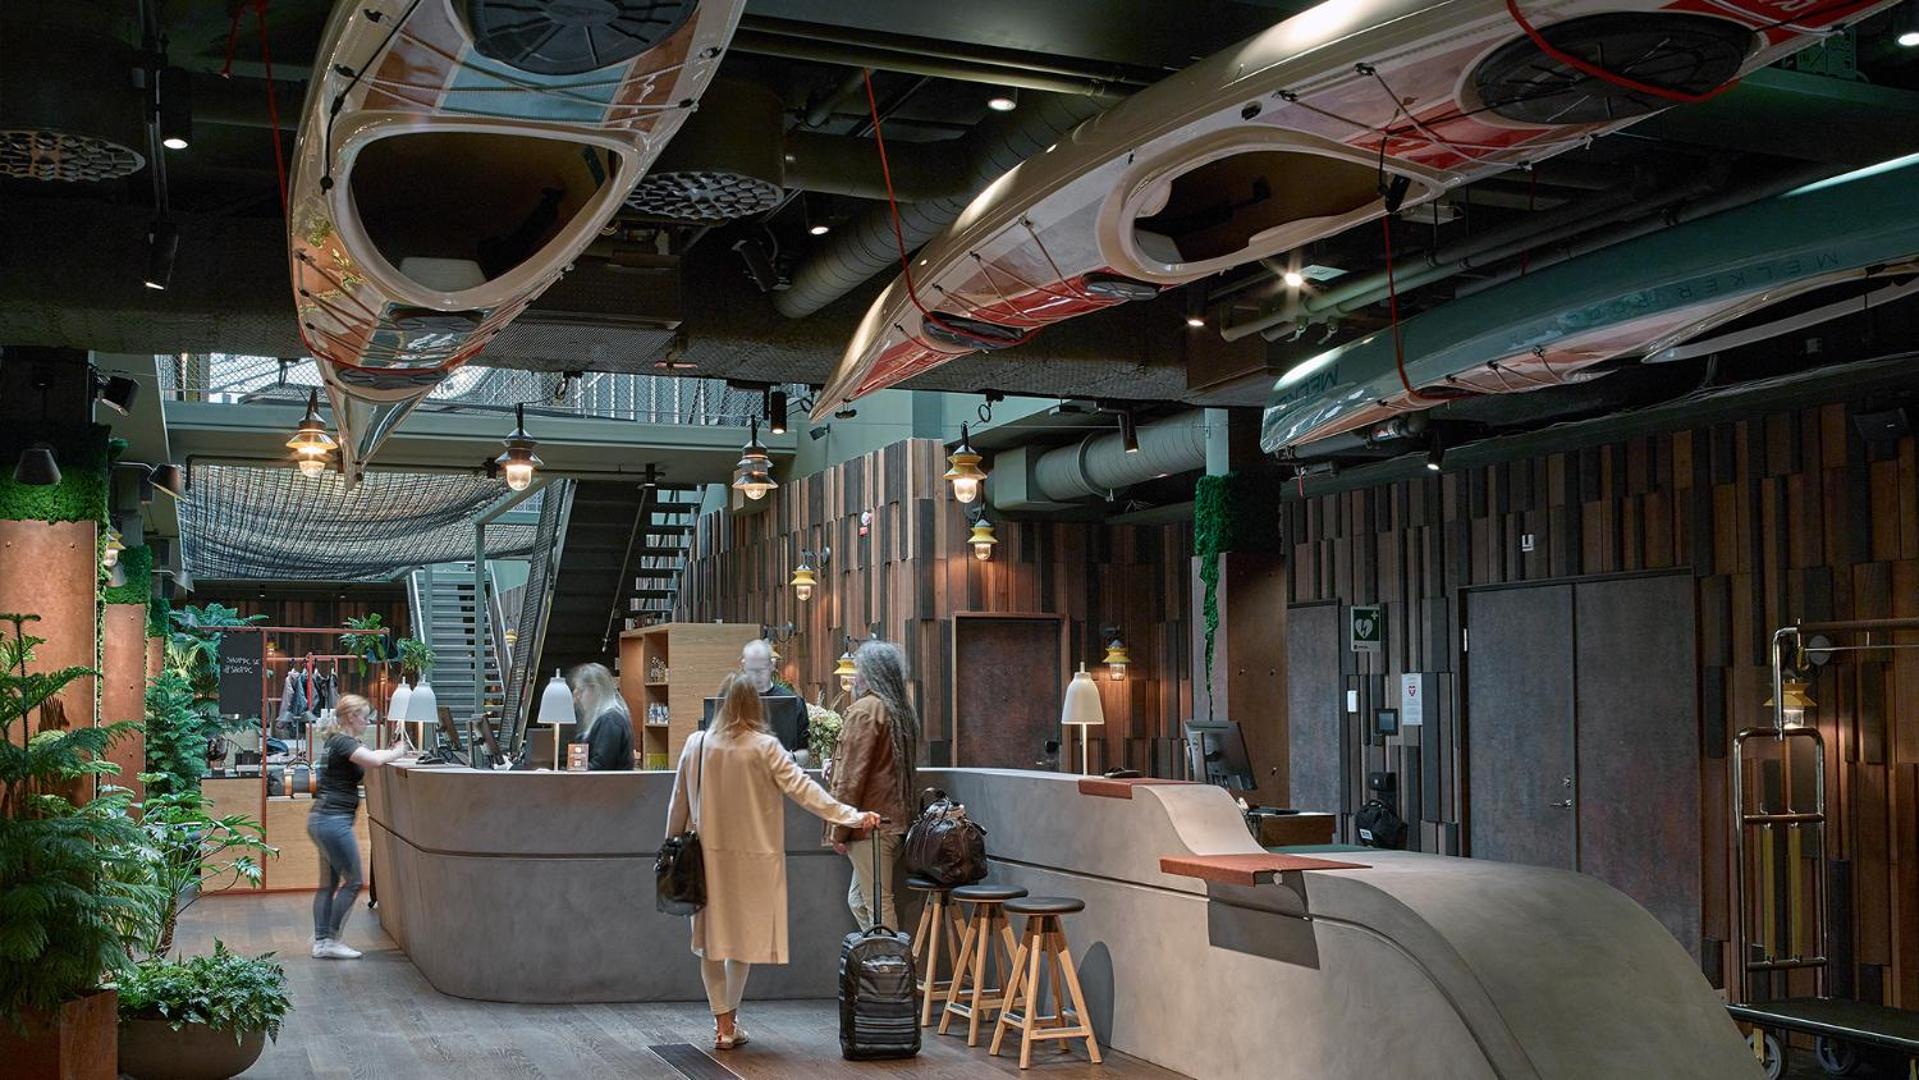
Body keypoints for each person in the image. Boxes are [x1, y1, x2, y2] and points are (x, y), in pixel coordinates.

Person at [667, 672, 880, 1051]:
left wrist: (670, 847)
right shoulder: (765, 747)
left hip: (704, 861)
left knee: (709, 944)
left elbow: (677, 804)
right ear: (756, 706)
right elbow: (807, 792)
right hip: (753, 864)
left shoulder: (697, 744)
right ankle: (729, 1022)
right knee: (741, 942)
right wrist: (851, 816)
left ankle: (723, 1023)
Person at [828, 640, 921, 932]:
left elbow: (852, 778)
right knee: (860, 900)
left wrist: (838, 830)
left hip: (870, 827)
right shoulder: (901, 711)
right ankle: (879, 954)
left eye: (858, 671)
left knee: (878, 904)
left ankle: (888, 959)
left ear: (870, 674)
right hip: (894, 824)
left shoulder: (865, 710)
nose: (854, 678)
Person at [309, 693, 409, 959]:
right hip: (333, 821)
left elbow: (371, 755)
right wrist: (399, 751)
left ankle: (322, 941)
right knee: (354, 881)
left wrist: (390, 751)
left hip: (323, 819)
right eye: (365, 717)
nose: (368, 722)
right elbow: (374, 761)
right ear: (352, 717)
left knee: (329, 884)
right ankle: (330, 940)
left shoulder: (336, 741)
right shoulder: (343, 741)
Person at [568, 662, 634, 771]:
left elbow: (601, 766)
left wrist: (563, 774)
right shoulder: (607, 718)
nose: (577, 697)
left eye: (581, 690)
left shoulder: (610, 720)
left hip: (608, 782)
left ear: (596, 690)